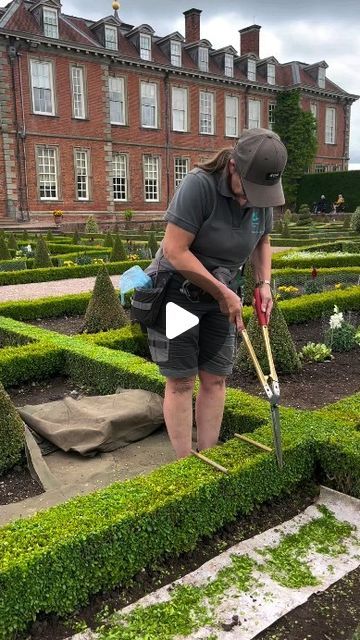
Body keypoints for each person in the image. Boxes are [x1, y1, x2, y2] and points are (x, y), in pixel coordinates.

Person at [144, 128, 288, 459]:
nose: (250, 201)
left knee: (216, 378)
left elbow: (263, 240)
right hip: (176, 296)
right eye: (246, 192)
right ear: (234, 166)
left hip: (223, 298)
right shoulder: (199, 185)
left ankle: (209, 452)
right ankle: (184, 461)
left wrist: (263, 284)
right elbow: (175, 250)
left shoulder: (260, 194)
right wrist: (223, 292)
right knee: (181, 381)